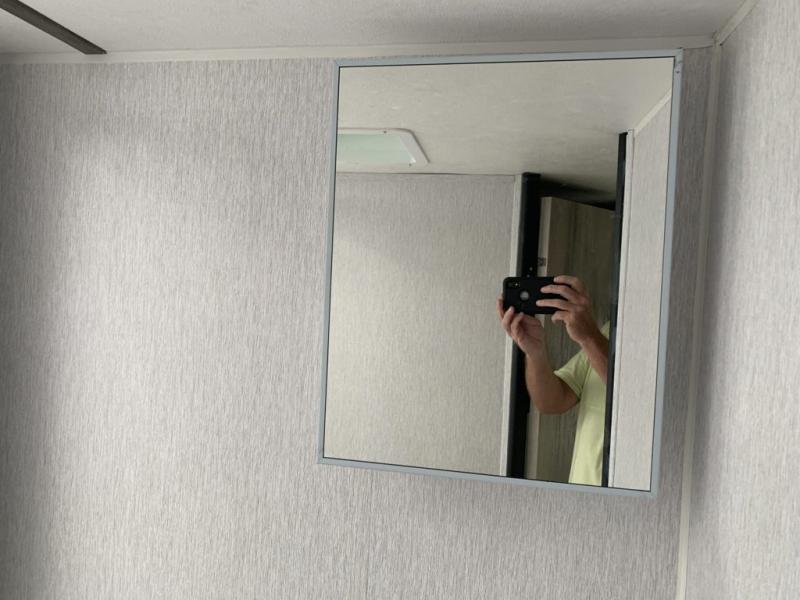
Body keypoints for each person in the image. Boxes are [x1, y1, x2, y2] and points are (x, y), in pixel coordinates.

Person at [497, 275, 609, 486]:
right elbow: (552, 402)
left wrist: (589, 336)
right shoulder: (611, 332)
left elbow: (636, 401)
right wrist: (535, 353)